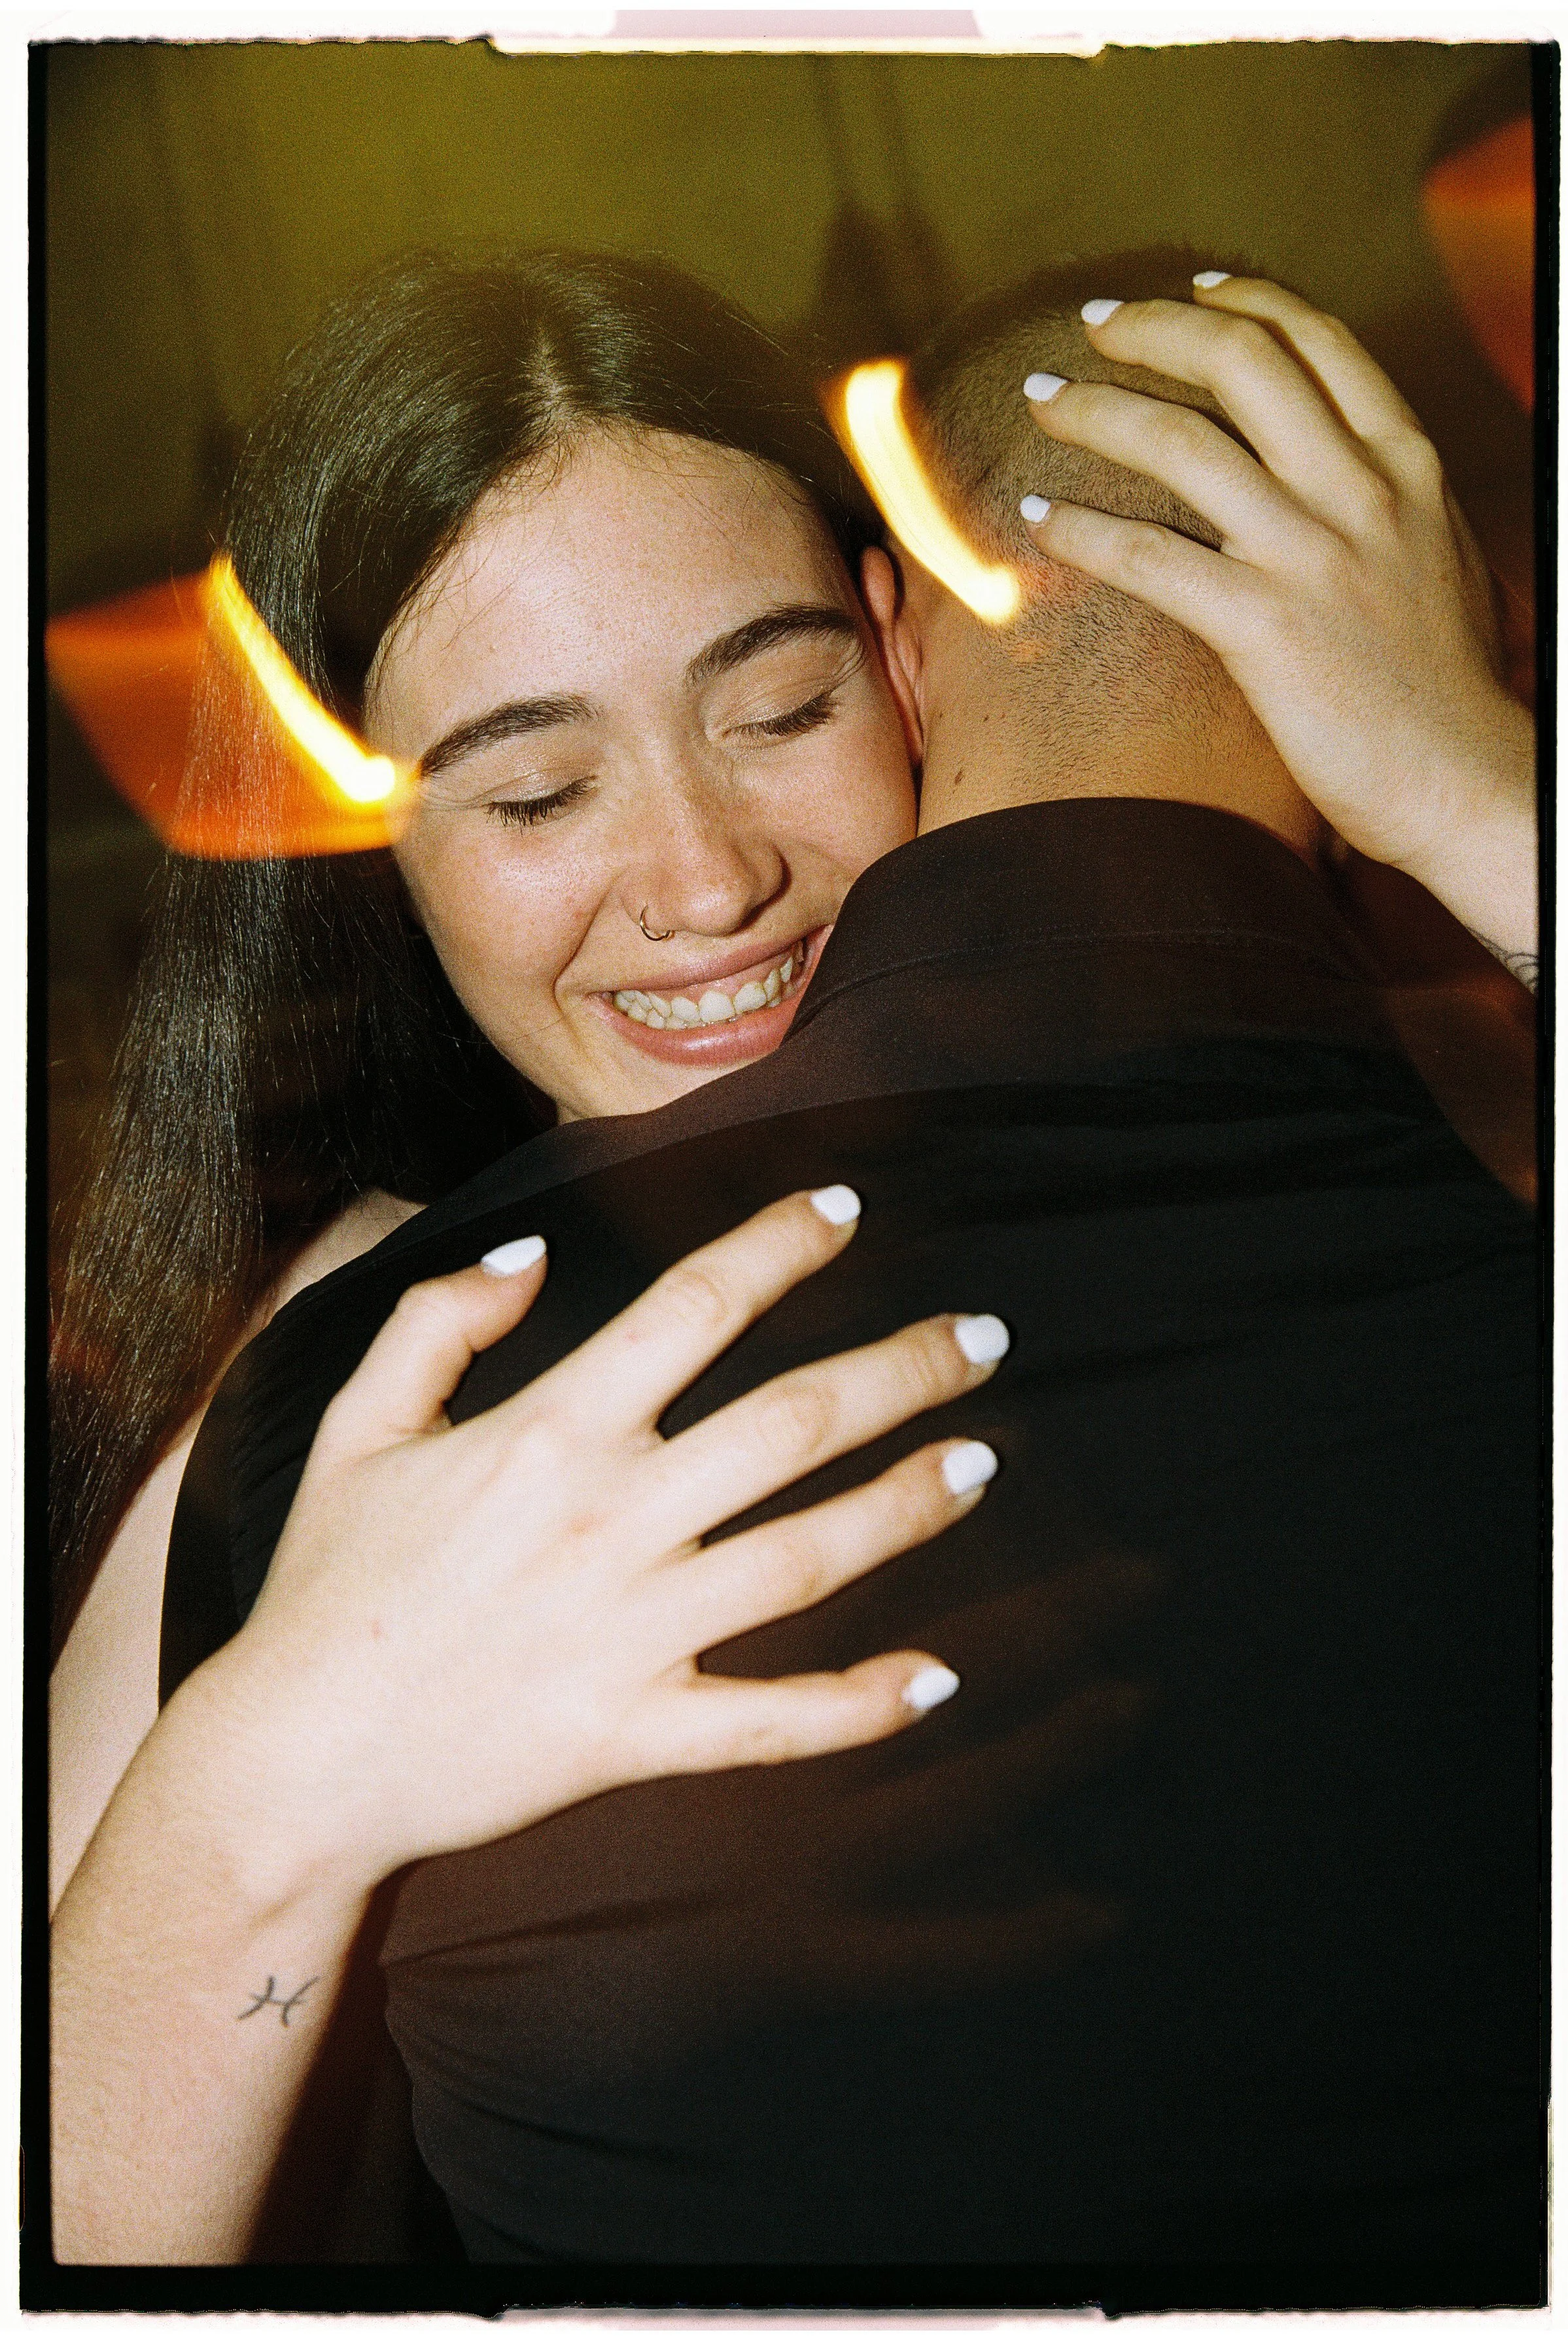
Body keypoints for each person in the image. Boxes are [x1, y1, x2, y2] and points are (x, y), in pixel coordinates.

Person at [51, 247, 1537, 2283]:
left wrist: (1476, 796)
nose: (706, 878)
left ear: (908, 654)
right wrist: (265, 1781)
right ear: (379, 847)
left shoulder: (1405, 1114)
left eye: (780, 708)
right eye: (538, 792)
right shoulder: (355, 1380)